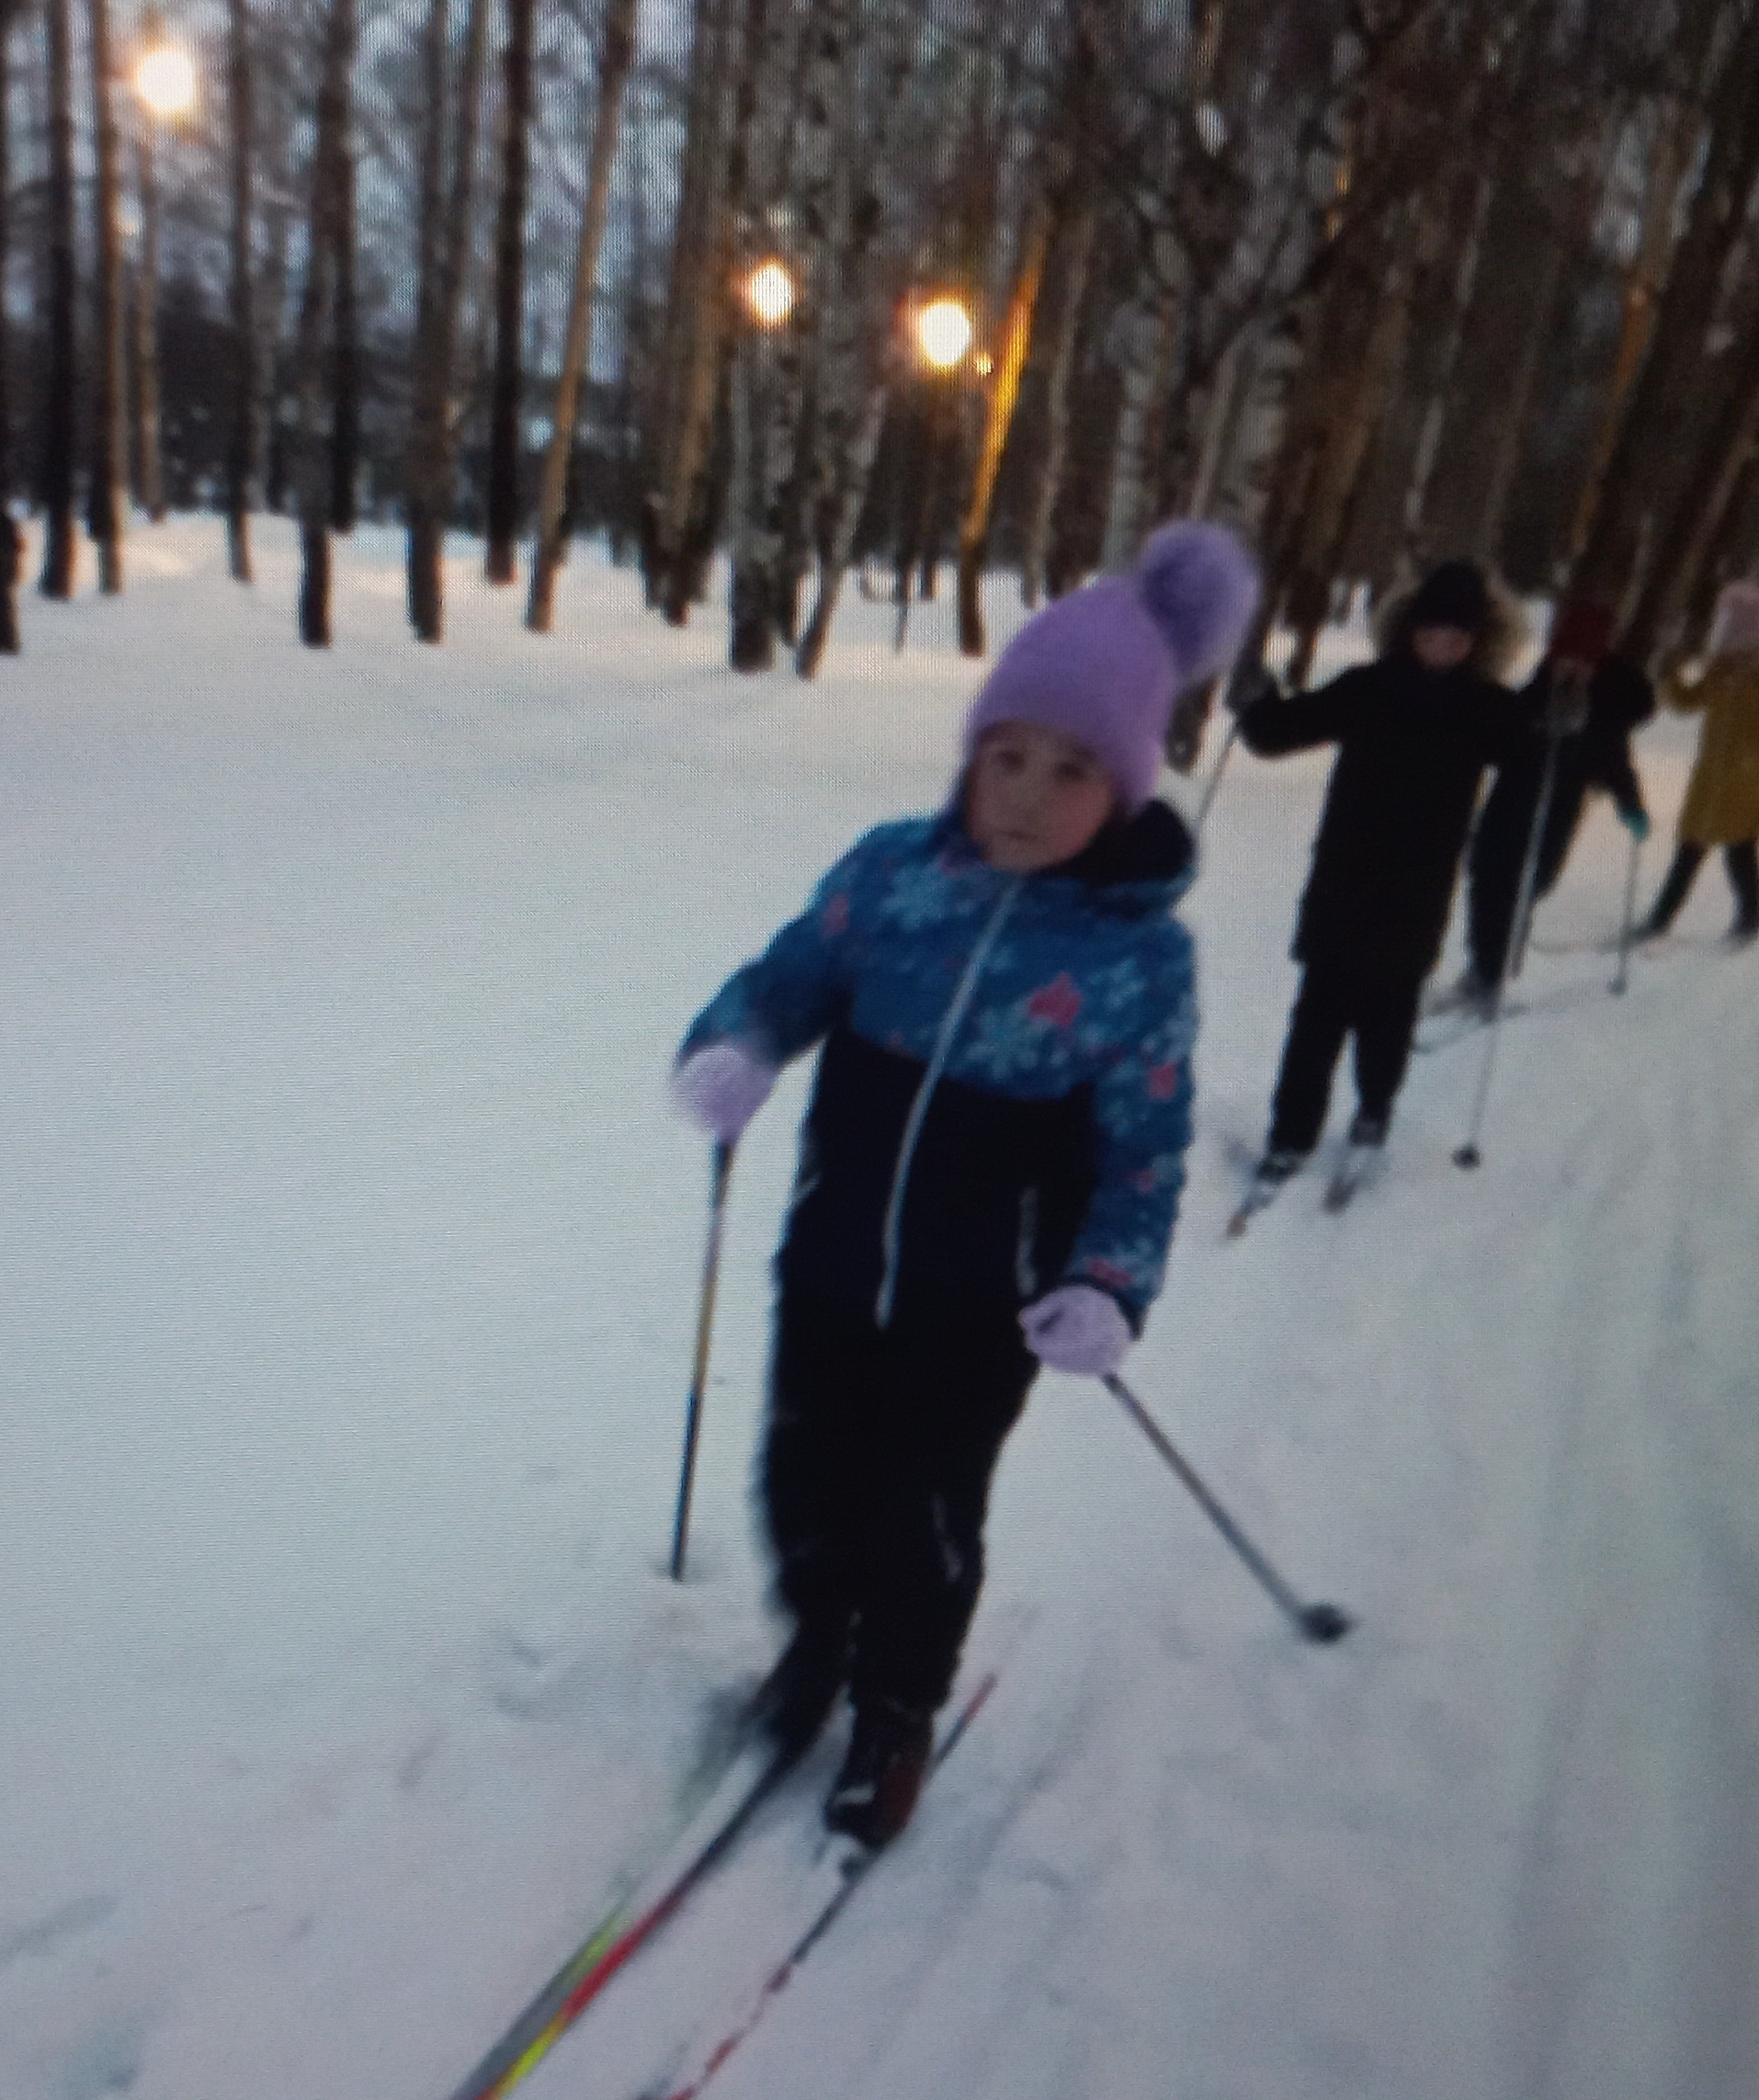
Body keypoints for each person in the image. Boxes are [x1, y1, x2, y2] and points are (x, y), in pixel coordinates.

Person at [670, 523, 1256, 1849]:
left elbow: (1144, 1149)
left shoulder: (1136, 964)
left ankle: (895, 1702)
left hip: (977, 1301)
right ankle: (816, 1641)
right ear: (971, 754)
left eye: (1068, 770)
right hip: (830, 1262)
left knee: (922, 1513)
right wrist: (734, 1043)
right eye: (1006, 756)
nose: (1026, 794)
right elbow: (788, 978)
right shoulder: (891, 875)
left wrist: (1107, 1279)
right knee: (803, 1477)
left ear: (1121, 786)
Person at [1231, 558, 1529, 1192]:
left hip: (1417, 889)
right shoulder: (1368, 687)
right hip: (1344, 877)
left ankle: (1373, 1111)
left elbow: (1533, 762)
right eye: (1429, 635)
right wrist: (1257, 702)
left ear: (1476, 642)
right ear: (1406, 631)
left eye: (1455, 639)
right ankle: (1290, 1136)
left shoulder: (1487, 708)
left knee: (1387, 1018)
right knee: (1316, 1016)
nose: (1439, 649)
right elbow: (1284, 731)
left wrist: (1562, 719)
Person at [1459, 597, 1654, 997]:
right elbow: (1499, 736)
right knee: (1486, 880)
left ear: (1597, 663)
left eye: (1584, 660)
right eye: (1565, 657)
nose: (1572, 667)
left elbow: (1615, 763)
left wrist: (1631, 804)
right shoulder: (1536, 692)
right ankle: (1485, 965)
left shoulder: (1600, 713)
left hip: (1555, 813)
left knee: (1526, 886)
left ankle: (1497, 967)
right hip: (1508, 807)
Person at [1636, 578, 1759, 944]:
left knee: (1738, 852)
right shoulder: (1719, 674)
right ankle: (1659, 920)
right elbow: (1688, 702)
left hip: (1745, 783)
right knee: (1690, 849)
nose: (1730, 645)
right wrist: (1669, 676)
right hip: (1709, 780)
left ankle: (1751, 914)